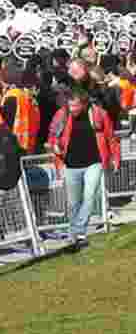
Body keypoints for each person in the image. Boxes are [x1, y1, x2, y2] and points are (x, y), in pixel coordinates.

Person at [47, 87, 120, 252]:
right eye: (70, 105)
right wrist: (55, 146)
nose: (72, 109)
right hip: (71, 165)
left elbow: (111, 137)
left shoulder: (99, 114)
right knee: (73, 203)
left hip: (94, 162)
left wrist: (115, 157)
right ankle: (75, 235)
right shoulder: (61, 115)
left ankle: (79, 230)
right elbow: (52, 136)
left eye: (76, 106)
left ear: (84, 103)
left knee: (89, 195)